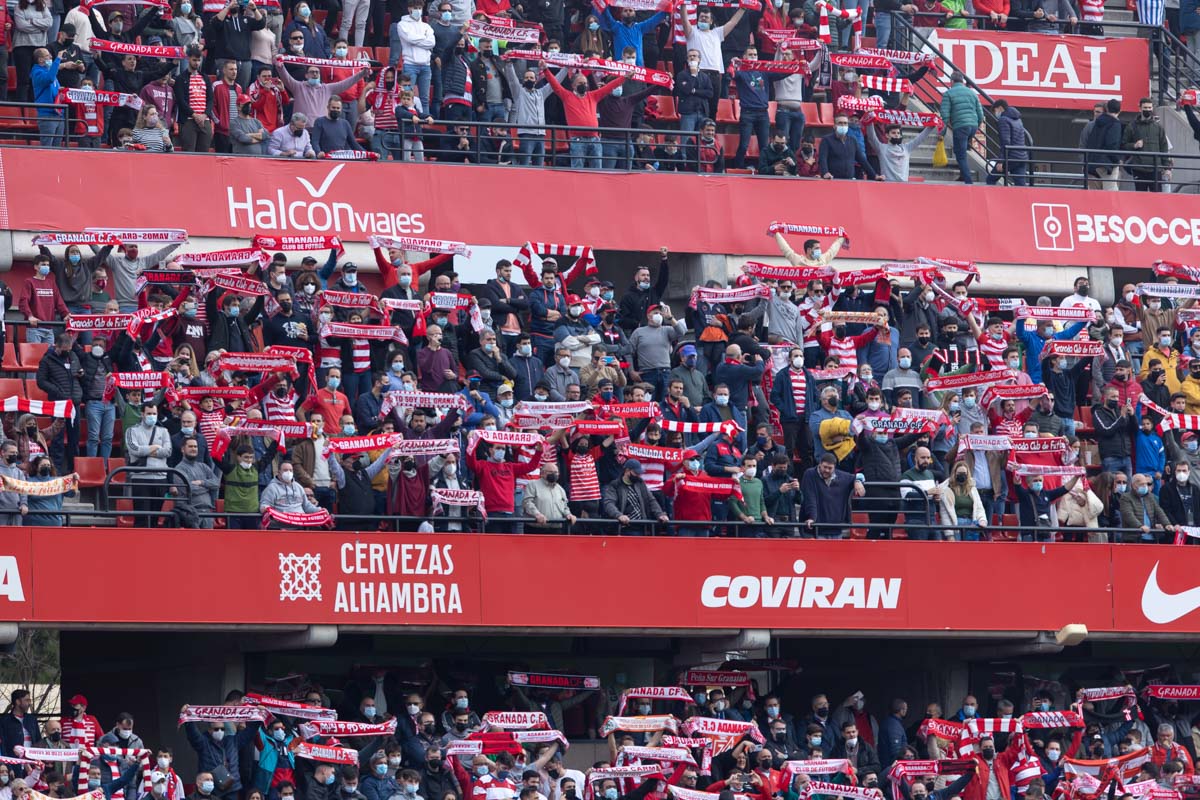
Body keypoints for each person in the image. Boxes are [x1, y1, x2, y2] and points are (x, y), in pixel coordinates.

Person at [800, 453, 866, 538]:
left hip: (836, 529)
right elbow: (810, 498)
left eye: (830, 468)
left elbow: (860, 476)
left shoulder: (842, 476)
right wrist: (812, 517)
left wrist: (857, 481)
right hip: (816, 529)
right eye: (824, 467)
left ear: (834, 467)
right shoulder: (810, 474)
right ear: (820, 464)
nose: (827, 470)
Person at [938, 71, 984, 184]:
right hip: (972, 126)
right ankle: (963, 176)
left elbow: (945, 116)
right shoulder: (972, 93)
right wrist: (975, 126)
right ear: (962, 81)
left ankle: (968, 181)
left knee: (960, 154)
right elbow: (981, 114)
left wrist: (942, 133)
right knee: (962, 150)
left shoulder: (948, 94)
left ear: (951, 81)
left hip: (960, 126)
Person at [601, 459, 669, 534]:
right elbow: (609, 503)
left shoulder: (640, 483)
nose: (638, 476)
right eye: (636, 473)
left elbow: (651, 500)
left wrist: (660, 514)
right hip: (623, 528)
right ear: (627, 471)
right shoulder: (615, 485)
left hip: (641, 527)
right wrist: (619, 516)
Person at [1122, 97, 1171, 192]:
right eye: (1145, 108)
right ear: (1139, 109)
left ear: (1152, 108)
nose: (1148, 110)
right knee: (1140, 199)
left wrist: (1167, 168)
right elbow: (1123, 145)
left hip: (1155, 168)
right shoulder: (1131, 126)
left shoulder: (1158, 127)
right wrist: (1134, 145)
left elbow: (1164, 147)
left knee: (1157, 199)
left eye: (1149, 108)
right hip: (1139, 168)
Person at [1118, 473, 1175, 544]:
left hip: (1152, 537)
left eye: (1146, 484)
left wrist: (1167, 524)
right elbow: (1128, 515)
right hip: (1134, 538)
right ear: (1134, 485)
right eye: (1142, 484)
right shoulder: (1126, 497)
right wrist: (1140, 526)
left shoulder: (1150, 496)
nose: (1145, 487)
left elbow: (1159, 512)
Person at [820, 113, 880, 180]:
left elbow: (862, 161)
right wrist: (825, 173)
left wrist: (874, 175)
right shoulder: (827, 140)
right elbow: (822, 159)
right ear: (834, 126)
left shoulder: (852, 141)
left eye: (845, 123)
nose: (843, 125)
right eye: (840, 123)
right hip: (832, 180)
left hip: (849, 181)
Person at [986, 99, 1028, 186]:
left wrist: (1001, 161)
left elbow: (1005, 142)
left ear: (1000, 108)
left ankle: (996, 199)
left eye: (995, 111)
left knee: (990, 180)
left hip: (1010, 157)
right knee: (1020, 185)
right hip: (1022, 156)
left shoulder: (1003, 120)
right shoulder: (1018, 119)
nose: (995, 114)